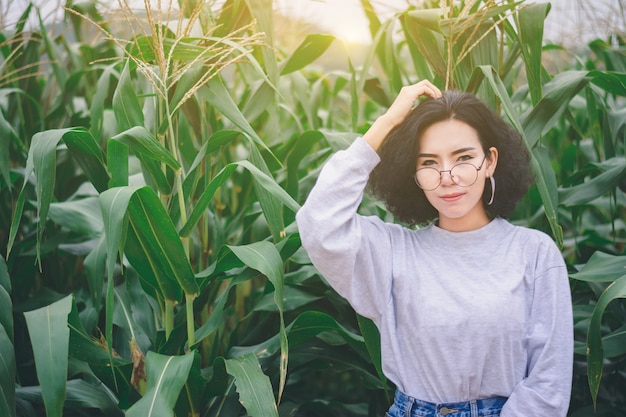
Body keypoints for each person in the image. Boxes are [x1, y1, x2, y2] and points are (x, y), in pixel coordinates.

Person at [295, 80, 573, 417]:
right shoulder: (391, 253)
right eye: (428, 163)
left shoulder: (534, 254)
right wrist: (387, 123)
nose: (447, 176)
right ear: (412, 172)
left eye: (463, 158)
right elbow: (318, 223)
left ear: (490, 161)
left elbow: (549, 385)